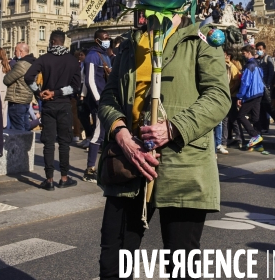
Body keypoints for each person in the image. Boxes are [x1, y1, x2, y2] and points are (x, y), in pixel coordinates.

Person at [97, 15, 230, 280]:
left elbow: (218, 96)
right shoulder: (131, 42)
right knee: (113, 264)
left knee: (181, 267)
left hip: (184, 166)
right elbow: (109, 97)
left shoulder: (201, 38)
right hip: (129, 165)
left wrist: (173, 128)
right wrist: (121, 134)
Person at [25, 30, 81, 190]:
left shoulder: (44, 59)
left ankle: (49, 180)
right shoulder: (72, 61)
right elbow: (76, 87)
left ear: (51, 41)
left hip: (48, 106)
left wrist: (39, 92)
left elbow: (28, 77)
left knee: (48, 143)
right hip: (64, 105)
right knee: (64, 143)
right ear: (63, 42)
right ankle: (64, 178)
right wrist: (57, 93)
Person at [83, 29, 112, 182]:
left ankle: (96, 168)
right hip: (100, 101)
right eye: (104, 38)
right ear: (97, 40)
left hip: (105, 100)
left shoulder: (104, 55)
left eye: (108, 38)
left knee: (102, 135)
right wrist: (99, 100)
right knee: (98, 135)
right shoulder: (93, 56)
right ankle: (89, 169)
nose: (107, 40)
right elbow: (90, 81)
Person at [236, 45, 265, 149]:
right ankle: (259, 144)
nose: (243, 56)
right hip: (259, 93)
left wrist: (240, 96)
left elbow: (245, 82)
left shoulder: (249, 65)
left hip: (251, 94)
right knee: (256, 118)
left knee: (240, 116)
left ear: (248, 53)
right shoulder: (258, 64)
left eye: (244, 53)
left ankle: (254, 135)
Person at [3, 43, 35, 131]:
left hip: (17, 98)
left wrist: (10, 70)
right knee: (25, 126)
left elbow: (6, 79)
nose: (14, 53)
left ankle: (20, 145)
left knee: (17, 130)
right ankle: (26, 144)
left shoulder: (21, 65)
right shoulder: (32, 63)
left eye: (15, 50)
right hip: (26, 99)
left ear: (21, 52)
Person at [255, 41, 275, 134]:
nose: (258, 51)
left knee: (269, 106)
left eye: (260, 49)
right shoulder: (257, 60)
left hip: (266, 87)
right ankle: (264, 126)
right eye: (257, 49)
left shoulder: (268, 59)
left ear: (264, 49)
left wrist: (268, 85)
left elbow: (271, 72)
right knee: (261, 107)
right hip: (259, 87)